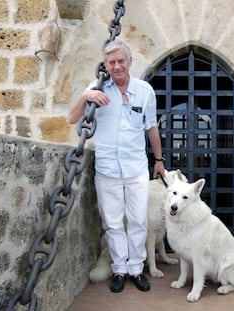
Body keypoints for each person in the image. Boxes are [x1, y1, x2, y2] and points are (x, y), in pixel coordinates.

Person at [68, 39, 165, 293]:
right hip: (107, 169)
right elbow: (72, 118)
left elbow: (152, 127)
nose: (117, 66)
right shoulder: (96, 88)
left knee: (138, 221)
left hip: (136, 169)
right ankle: (119, 269)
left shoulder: (145, 91)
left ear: (130, 62)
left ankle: (136, 268)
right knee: (112, 223)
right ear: (106, 65)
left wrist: (159, 160)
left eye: (121, 61)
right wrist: (85, 96)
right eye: (112, 62)